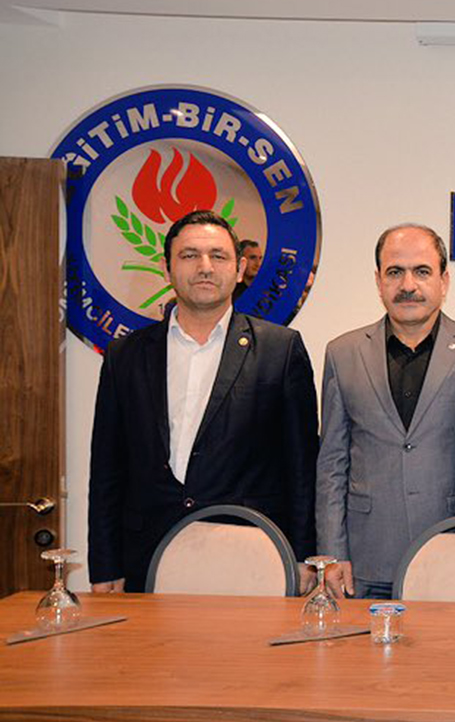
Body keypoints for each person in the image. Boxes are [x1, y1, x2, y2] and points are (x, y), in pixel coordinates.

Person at [88, 210, 318, 593]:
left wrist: (303, 555)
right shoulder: (124, 356)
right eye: (189, 255)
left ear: (240, 269)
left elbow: (302, 467)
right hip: (146, 557)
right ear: (166, 268)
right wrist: (105, 566)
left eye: (218, 256)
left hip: (251, 558)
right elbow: (107, 471)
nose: (205, 267)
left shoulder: (280, 350)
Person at [317, 224, 455, 599]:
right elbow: (332, 464)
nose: (408, 285)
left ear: (444, 281)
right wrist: (332, 553)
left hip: (452, 551)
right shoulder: (343, 353)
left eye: (422, 271)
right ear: (378, 281)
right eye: (394, 272)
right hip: (366, 559)